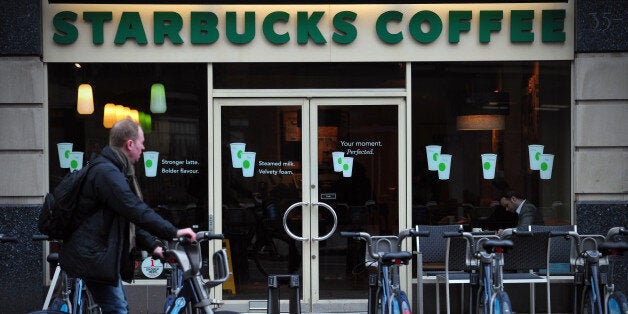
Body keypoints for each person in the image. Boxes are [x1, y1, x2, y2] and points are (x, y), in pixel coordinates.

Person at [59, 118, 196, 314]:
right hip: (94, 258)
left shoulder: (113, 170)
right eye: (141, 142)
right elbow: (135, 210)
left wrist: (153, 245)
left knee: (119, 308)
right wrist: (173, 232)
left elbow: (126, 217)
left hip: (99, 257)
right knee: (118, 310)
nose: (144, 147)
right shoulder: (107, 173)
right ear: (129, 144)